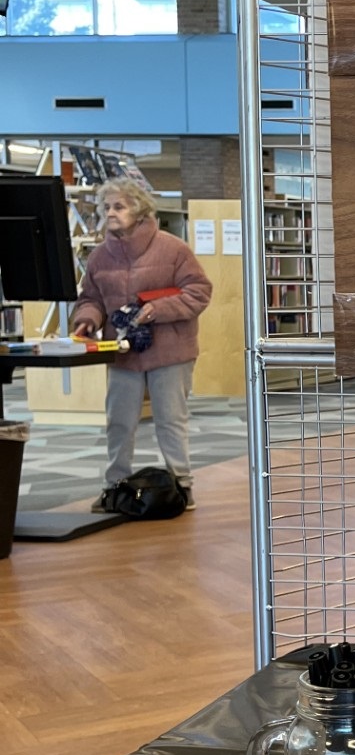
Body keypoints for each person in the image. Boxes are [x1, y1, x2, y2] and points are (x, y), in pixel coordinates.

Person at [70, 181, 213, 512]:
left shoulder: (173, 249)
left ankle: (183, 485)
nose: (111, 214)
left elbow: (199, 292)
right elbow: (91, 298)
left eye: (119, 207)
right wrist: (88, 320)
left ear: (140, 210)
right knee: (118, 421)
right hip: (121, 352)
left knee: (170, 419)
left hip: (170, 351)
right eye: (107, 208)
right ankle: (114, 487)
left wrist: (156, 310)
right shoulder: (99, 257)